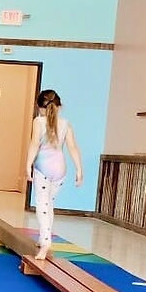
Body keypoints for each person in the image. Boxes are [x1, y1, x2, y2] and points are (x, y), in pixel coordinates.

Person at [24, 89, 83, 261]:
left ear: (39, 107)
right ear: (60, 106)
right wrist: (79, 169)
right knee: (49, 203)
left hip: (44, 167)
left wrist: (28, 164)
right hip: (60, 169)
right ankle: (44, 238)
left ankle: (46, 242)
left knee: (42, 204)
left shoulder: (38, 122)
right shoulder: (66, 124)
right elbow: (73, 147)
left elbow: (34, 144)